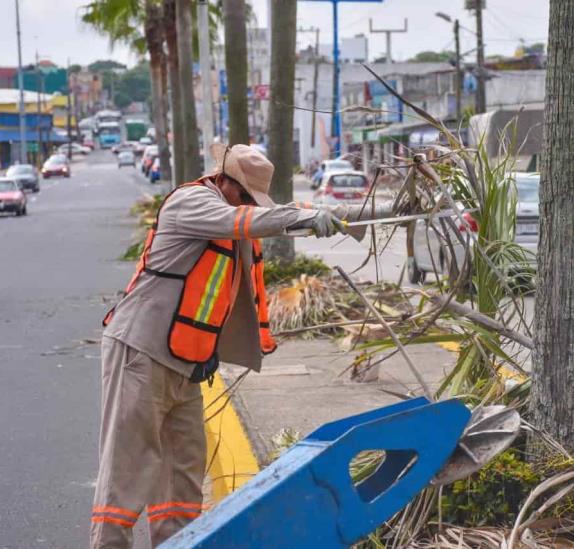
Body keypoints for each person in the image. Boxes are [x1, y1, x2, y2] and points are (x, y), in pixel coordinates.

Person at [90, 144, 384, 548]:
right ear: (224, 180)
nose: (249, 203)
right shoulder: (192, 203)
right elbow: (246, 220)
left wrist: (363, 214)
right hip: (140, 352)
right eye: (245, 195)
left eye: (253, 199)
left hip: (184, 363)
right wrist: (300, 216)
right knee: (126, 472)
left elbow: (282, 217)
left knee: (183, 476)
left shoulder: (235, 210)